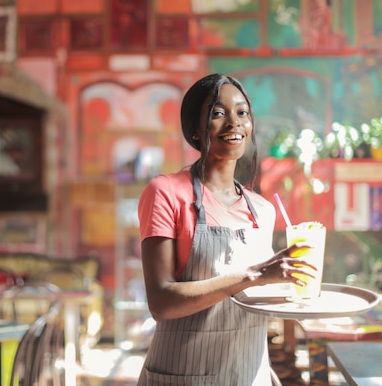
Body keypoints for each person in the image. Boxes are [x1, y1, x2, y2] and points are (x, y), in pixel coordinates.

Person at [136, 73, 317, 386]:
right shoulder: (166, 192)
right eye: (218, 113)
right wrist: (255, 275)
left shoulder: (262, 209)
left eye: (242, 112)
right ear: (194, 128)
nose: (234, 122)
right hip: (183, 376)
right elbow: (161, 302)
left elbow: (255, 301)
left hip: (249, 374)